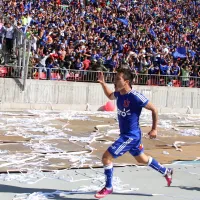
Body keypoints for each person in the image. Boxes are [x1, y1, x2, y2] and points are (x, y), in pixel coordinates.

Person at [95, 68, 173, 199]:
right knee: (142, 159)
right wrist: (103, 83)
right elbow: (109, 96)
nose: (114, 81)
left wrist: (154, 129)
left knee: (106, 158)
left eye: (117, 79)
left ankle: (108, 187)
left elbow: (154, 109)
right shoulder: (119, 94)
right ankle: (166, 171)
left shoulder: (135, 96)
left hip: (131, 136)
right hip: (128, 135)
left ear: (126, 82)